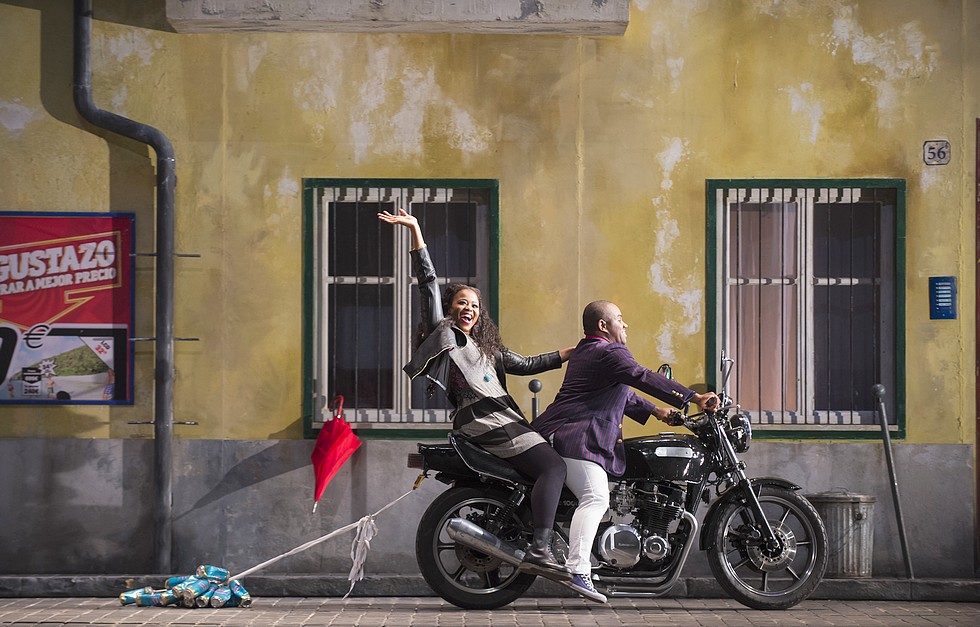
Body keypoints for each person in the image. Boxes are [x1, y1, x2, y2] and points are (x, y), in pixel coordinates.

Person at [378, 209, 576, 578]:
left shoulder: (484, 349)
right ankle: (539, 547)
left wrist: (575, 351)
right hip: (485, 422)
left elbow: (529, 363)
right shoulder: (446, 335)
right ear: (449, 309)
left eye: (474, 306)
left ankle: (538, 535)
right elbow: (428, 282)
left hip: (502, 421)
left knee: (551, 464)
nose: (468, 309)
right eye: (461, 303)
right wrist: (417, 229)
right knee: (554, 466)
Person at [532, 300, 719, 603]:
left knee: (598, 496)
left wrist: (658, 411)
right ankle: (577, 569)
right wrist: (693, 397)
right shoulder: (609, 351)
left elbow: (622, 392)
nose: (625, 324)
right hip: (576, 437)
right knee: (595, 497)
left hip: (564, 432)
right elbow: (641, 375)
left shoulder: (588, 351)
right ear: (603, 326)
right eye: (620, 318)